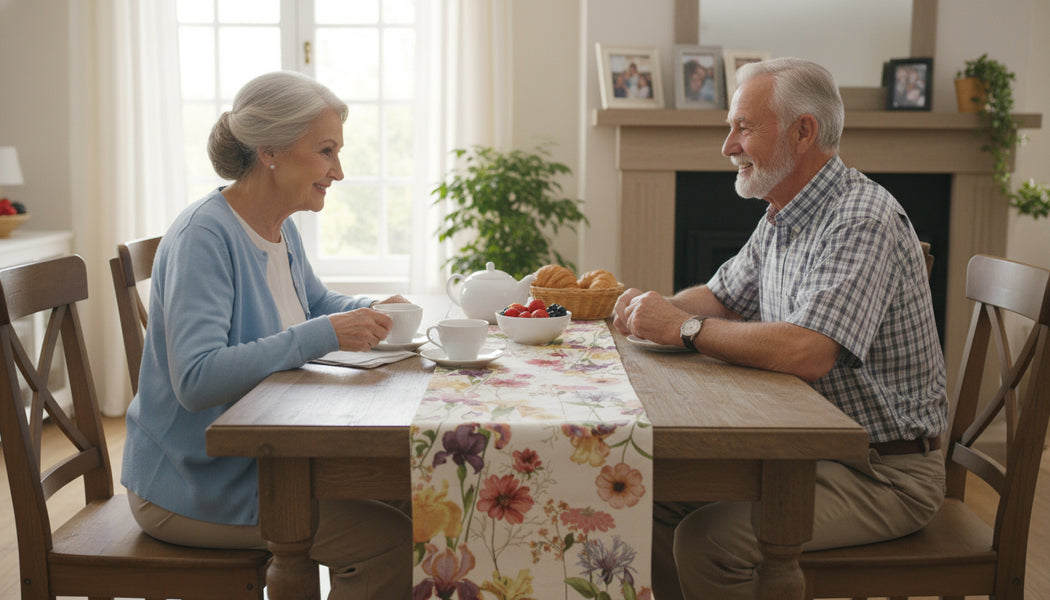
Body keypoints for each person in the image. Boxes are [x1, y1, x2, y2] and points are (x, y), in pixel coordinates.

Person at [612, 57, 948, 599]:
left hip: (884, 473)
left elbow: (807, 352)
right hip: (807, 453)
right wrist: (641, 313)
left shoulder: (861, 219)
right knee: (648, 495)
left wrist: (683, 328)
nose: (728, 146)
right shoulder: (783, 214)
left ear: (803, 131)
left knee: (708, 541)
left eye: (743, 128)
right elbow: (720, 298)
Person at [121, 71, 412, 599]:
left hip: (264, 461)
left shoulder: (279, 225)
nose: (338, 171)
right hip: (194, 483)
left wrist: (369, 310)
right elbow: (196, 379)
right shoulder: (204, 236)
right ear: (270, 151)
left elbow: (314, 304)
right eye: (326, 151)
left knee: (412, 493)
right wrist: (323, 334)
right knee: (389, 540)